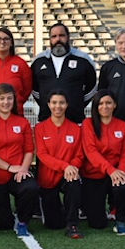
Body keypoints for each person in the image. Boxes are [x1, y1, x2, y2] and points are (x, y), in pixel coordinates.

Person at [0, 83, 38, 237]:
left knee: (30, 187)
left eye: (9, 98)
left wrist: (24, 169)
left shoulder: (22, 122)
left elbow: (29, 150)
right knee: (2, 225)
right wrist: (8, 167)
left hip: (18, 173)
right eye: (2, 98)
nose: (6, 102)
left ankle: (23, 221)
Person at [34, 90, 84, 238]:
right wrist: (65, 166)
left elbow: (79, 155)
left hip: (67, 175)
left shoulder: (75, 128)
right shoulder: (40, 128)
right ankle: (58, 210)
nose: (58, 106)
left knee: (74, 182)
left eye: (61, 102)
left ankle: (73, 224)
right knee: (53, 224)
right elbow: (42, 155)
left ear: (67, 104)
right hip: (48, 178)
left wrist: (72, 167)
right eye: (54, 102)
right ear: (48, 104)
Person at [81, 90, 125, 235]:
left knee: (123, 185)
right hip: (94, 175)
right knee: (97, 224)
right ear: (96, 106)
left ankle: (120, 219)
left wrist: (121, 171)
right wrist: (111, 170)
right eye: (101, 103)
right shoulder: (88, 124)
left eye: (109, 103)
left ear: (115, 105)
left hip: (116, 173)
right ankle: (99, 208)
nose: (105, 106)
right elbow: (91, 152)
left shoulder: (122, 125)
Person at [31, 23, 97, 123]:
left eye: (61, 35)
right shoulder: (39, 61)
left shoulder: (83, 60)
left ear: (68, 37)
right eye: (54, 36)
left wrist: (77, 103)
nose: (58, 39)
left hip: (75, 120)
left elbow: (91, 88)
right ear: (50, 39)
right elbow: (33, 88)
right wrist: (45, 103)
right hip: (46, 120)